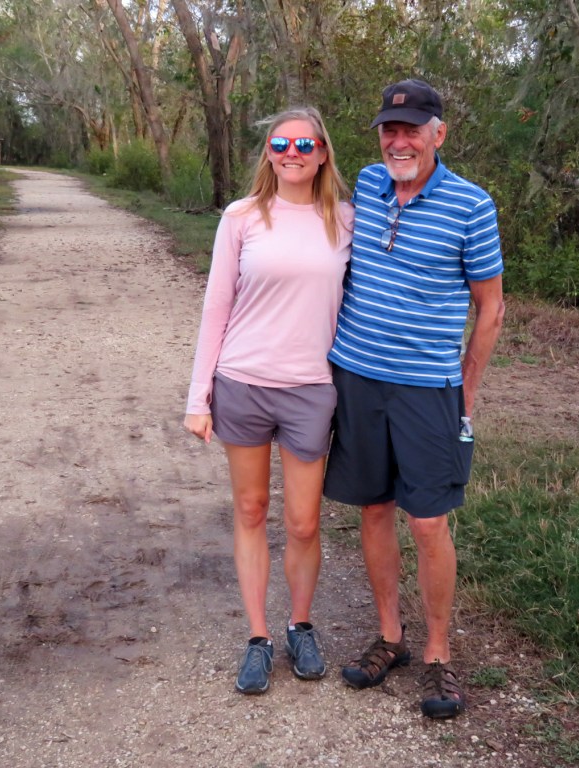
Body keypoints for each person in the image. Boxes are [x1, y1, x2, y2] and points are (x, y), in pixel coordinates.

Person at [324, 79, 505, 719]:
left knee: (427, 521)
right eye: (390, 129)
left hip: (429, 388)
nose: (400, 140)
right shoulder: (367, 188)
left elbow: (490, 307)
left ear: (438, 134)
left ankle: (436, 652)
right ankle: (391, 639)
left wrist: (467, 392)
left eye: (413, 129)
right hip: (357, 378)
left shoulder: (471, 205)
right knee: (373, 510)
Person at [184, 107, 352, 695]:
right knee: (252, 511)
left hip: (311, 390)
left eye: (305, 143)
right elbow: (215, 308)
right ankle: (258, 638)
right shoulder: (242, 217)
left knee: (304, 522)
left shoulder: (346, 220)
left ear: (323, 152)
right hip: (242, 383)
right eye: (281, 142)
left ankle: (299, 625)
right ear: (270, 152)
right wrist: (197, 397)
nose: (293, 151)